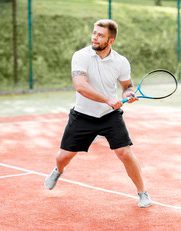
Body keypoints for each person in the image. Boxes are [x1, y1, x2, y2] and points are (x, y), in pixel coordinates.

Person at [44, 19, 152, 208]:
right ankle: (58, 170)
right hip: (83, 114)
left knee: (124, 153)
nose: (95, 37)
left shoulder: (121, 62)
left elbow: (127, 86)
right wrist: (108, 99)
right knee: (63, 157)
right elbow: (81, 86)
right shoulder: (81, 56)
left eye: (100, 35)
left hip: (109, 115)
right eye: (94, 33)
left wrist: (129, 94)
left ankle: (143, 193)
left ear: (111, 41)